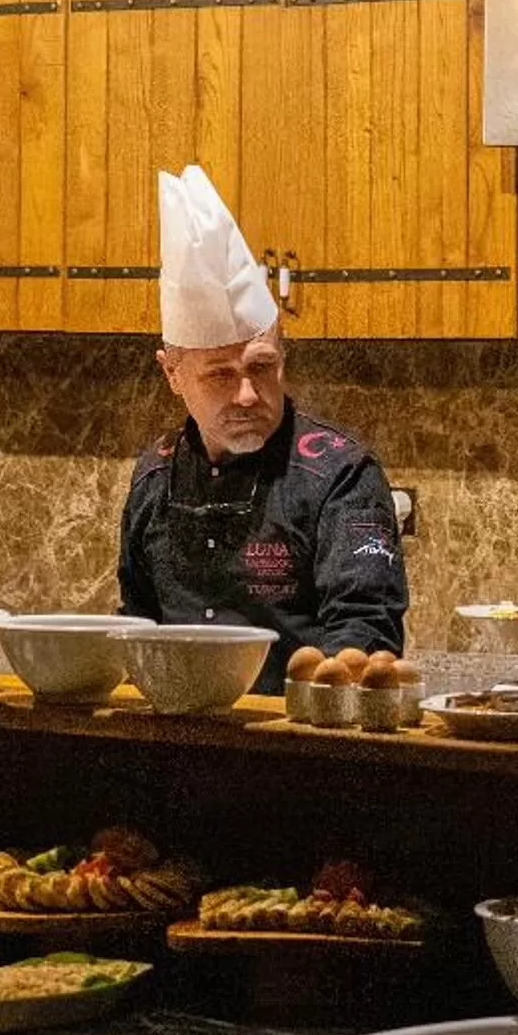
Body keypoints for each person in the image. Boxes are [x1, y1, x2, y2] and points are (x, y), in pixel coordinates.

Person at [115, 167, 408, 691]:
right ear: (172, 373)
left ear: (284, 359)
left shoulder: (341, 475)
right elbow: (136, 627)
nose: (247, 394)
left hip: (294, 747)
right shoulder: (153, 478)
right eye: (221, 375)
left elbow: (365, 627)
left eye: (261, 367)